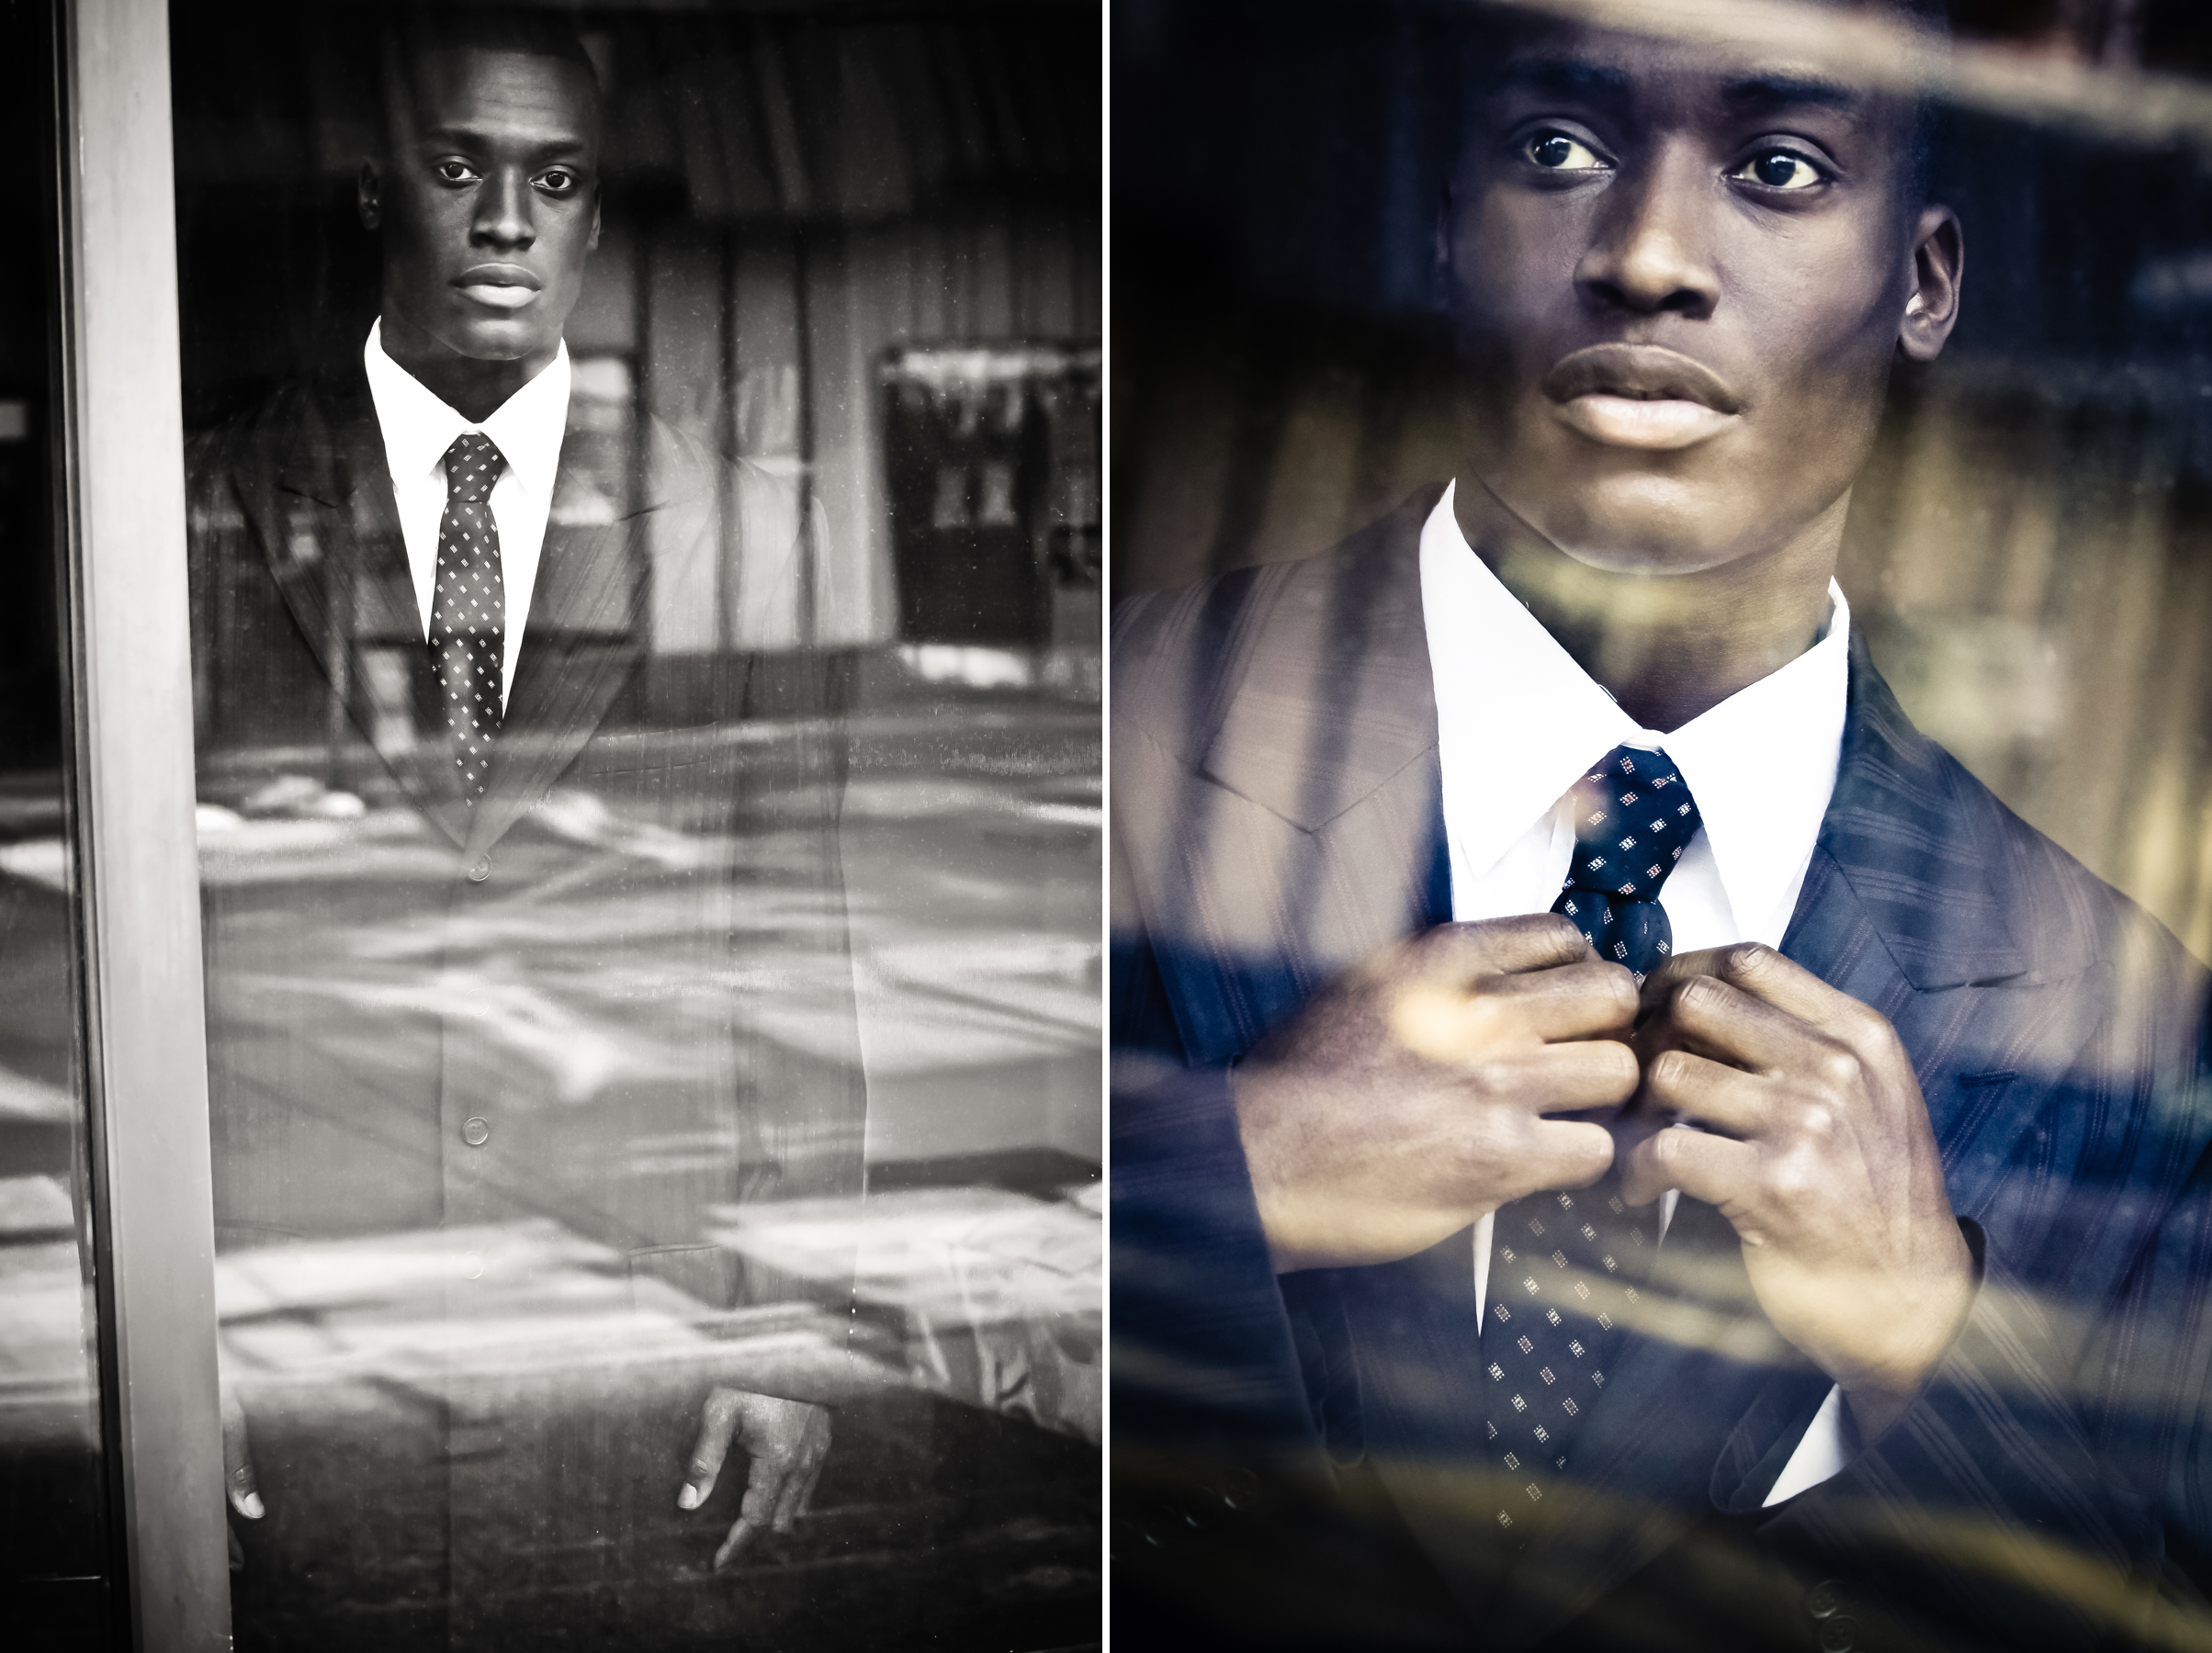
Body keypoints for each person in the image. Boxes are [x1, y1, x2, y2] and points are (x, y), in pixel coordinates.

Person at [1112, 5, 2212, 1650]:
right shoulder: (1100, 756)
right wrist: (1228, 1181)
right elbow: (858, 1362)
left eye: (1778, 168)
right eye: (1557, 151)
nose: (1643, 255)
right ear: (1446, 227)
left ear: (1924, 282)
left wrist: (1927, 1323)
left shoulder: (2115, 1000)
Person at [187, 8, 864, 1636]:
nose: (506, 222)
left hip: (638, 1365)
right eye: (456, 169)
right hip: (303, 1362)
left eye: (554, 179)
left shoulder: (735, 529)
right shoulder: (205, 501)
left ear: (597, 215)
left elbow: (801, 950)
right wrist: (156, 1324)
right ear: (373, 193)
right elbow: (101, 955)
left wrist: (785, 1323)